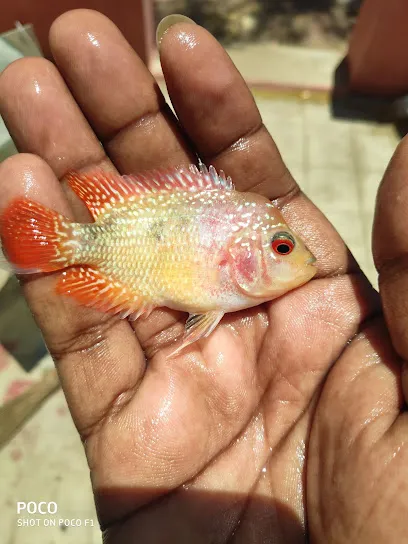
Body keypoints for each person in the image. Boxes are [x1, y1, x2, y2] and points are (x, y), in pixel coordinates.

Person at [0, 9, 406, 543]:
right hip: (123, 247)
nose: (298, 259)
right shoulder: (229, 263)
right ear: (243, 254)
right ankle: (55, 243)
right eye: (282, 248)